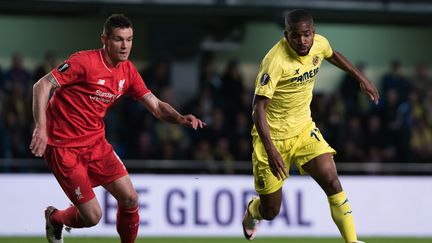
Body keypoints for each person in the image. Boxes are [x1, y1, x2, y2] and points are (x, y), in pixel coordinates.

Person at [29, 14, 205, 243]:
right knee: (93, 217)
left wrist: (181, 118)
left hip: (96, 144)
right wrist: (41, 128)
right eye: (118, 39)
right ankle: (55, 219)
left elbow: (156, 106)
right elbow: (41, 85)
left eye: (129, 39)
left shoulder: (128, 72)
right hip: (64, 149)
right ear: (104, 39)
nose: (125, 46)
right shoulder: (85, 62)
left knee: (130, 198)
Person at [242, 9, 379, 243]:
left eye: (306, 35)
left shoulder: (319, 44)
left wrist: (361, 78)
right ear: (287, 35)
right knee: (271, 211)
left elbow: (332, 54)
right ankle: (253, 211)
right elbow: (258, 109)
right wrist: (272, 150)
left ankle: (352, 241)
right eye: (296, 36)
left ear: (313, 32)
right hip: (272, 139)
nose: (302, 41)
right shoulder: (274, 62)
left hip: (304, 130)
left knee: (332, 180)